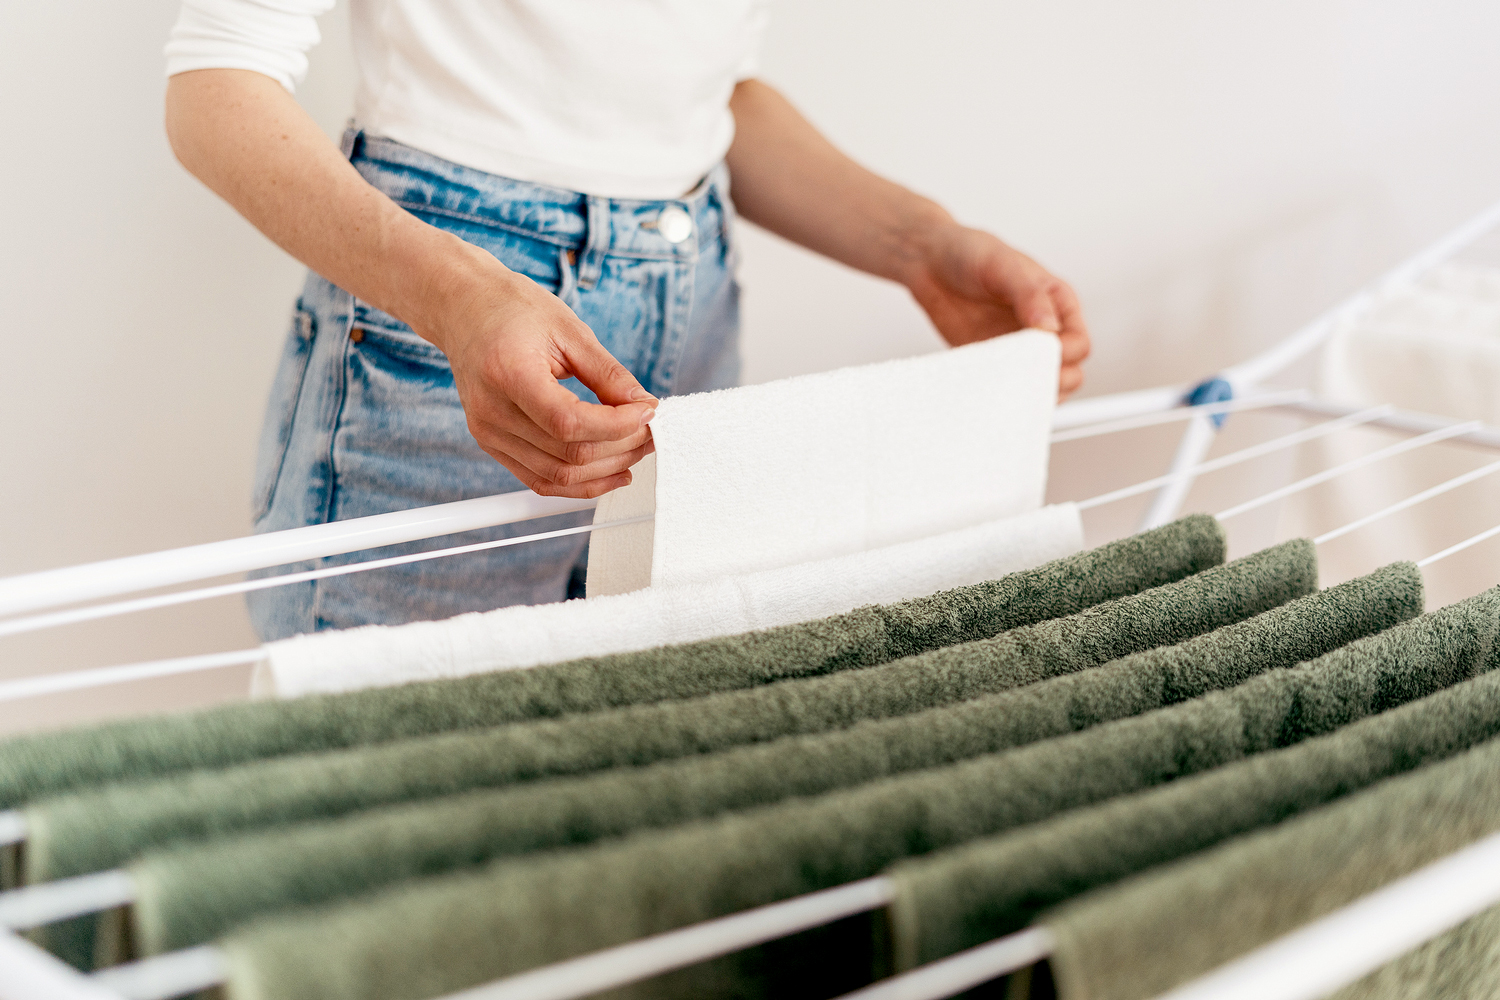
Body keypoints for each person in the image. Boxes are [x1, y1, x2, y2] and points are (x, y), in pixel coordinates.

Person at [164, 0, 1090, 641]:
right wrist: (459, 299)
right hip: (441, 325)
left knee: (626, 786)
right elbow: (215, 84)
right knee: (392, 798)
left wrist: (921, 244)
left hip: (694, 301)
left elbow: (703, 100)